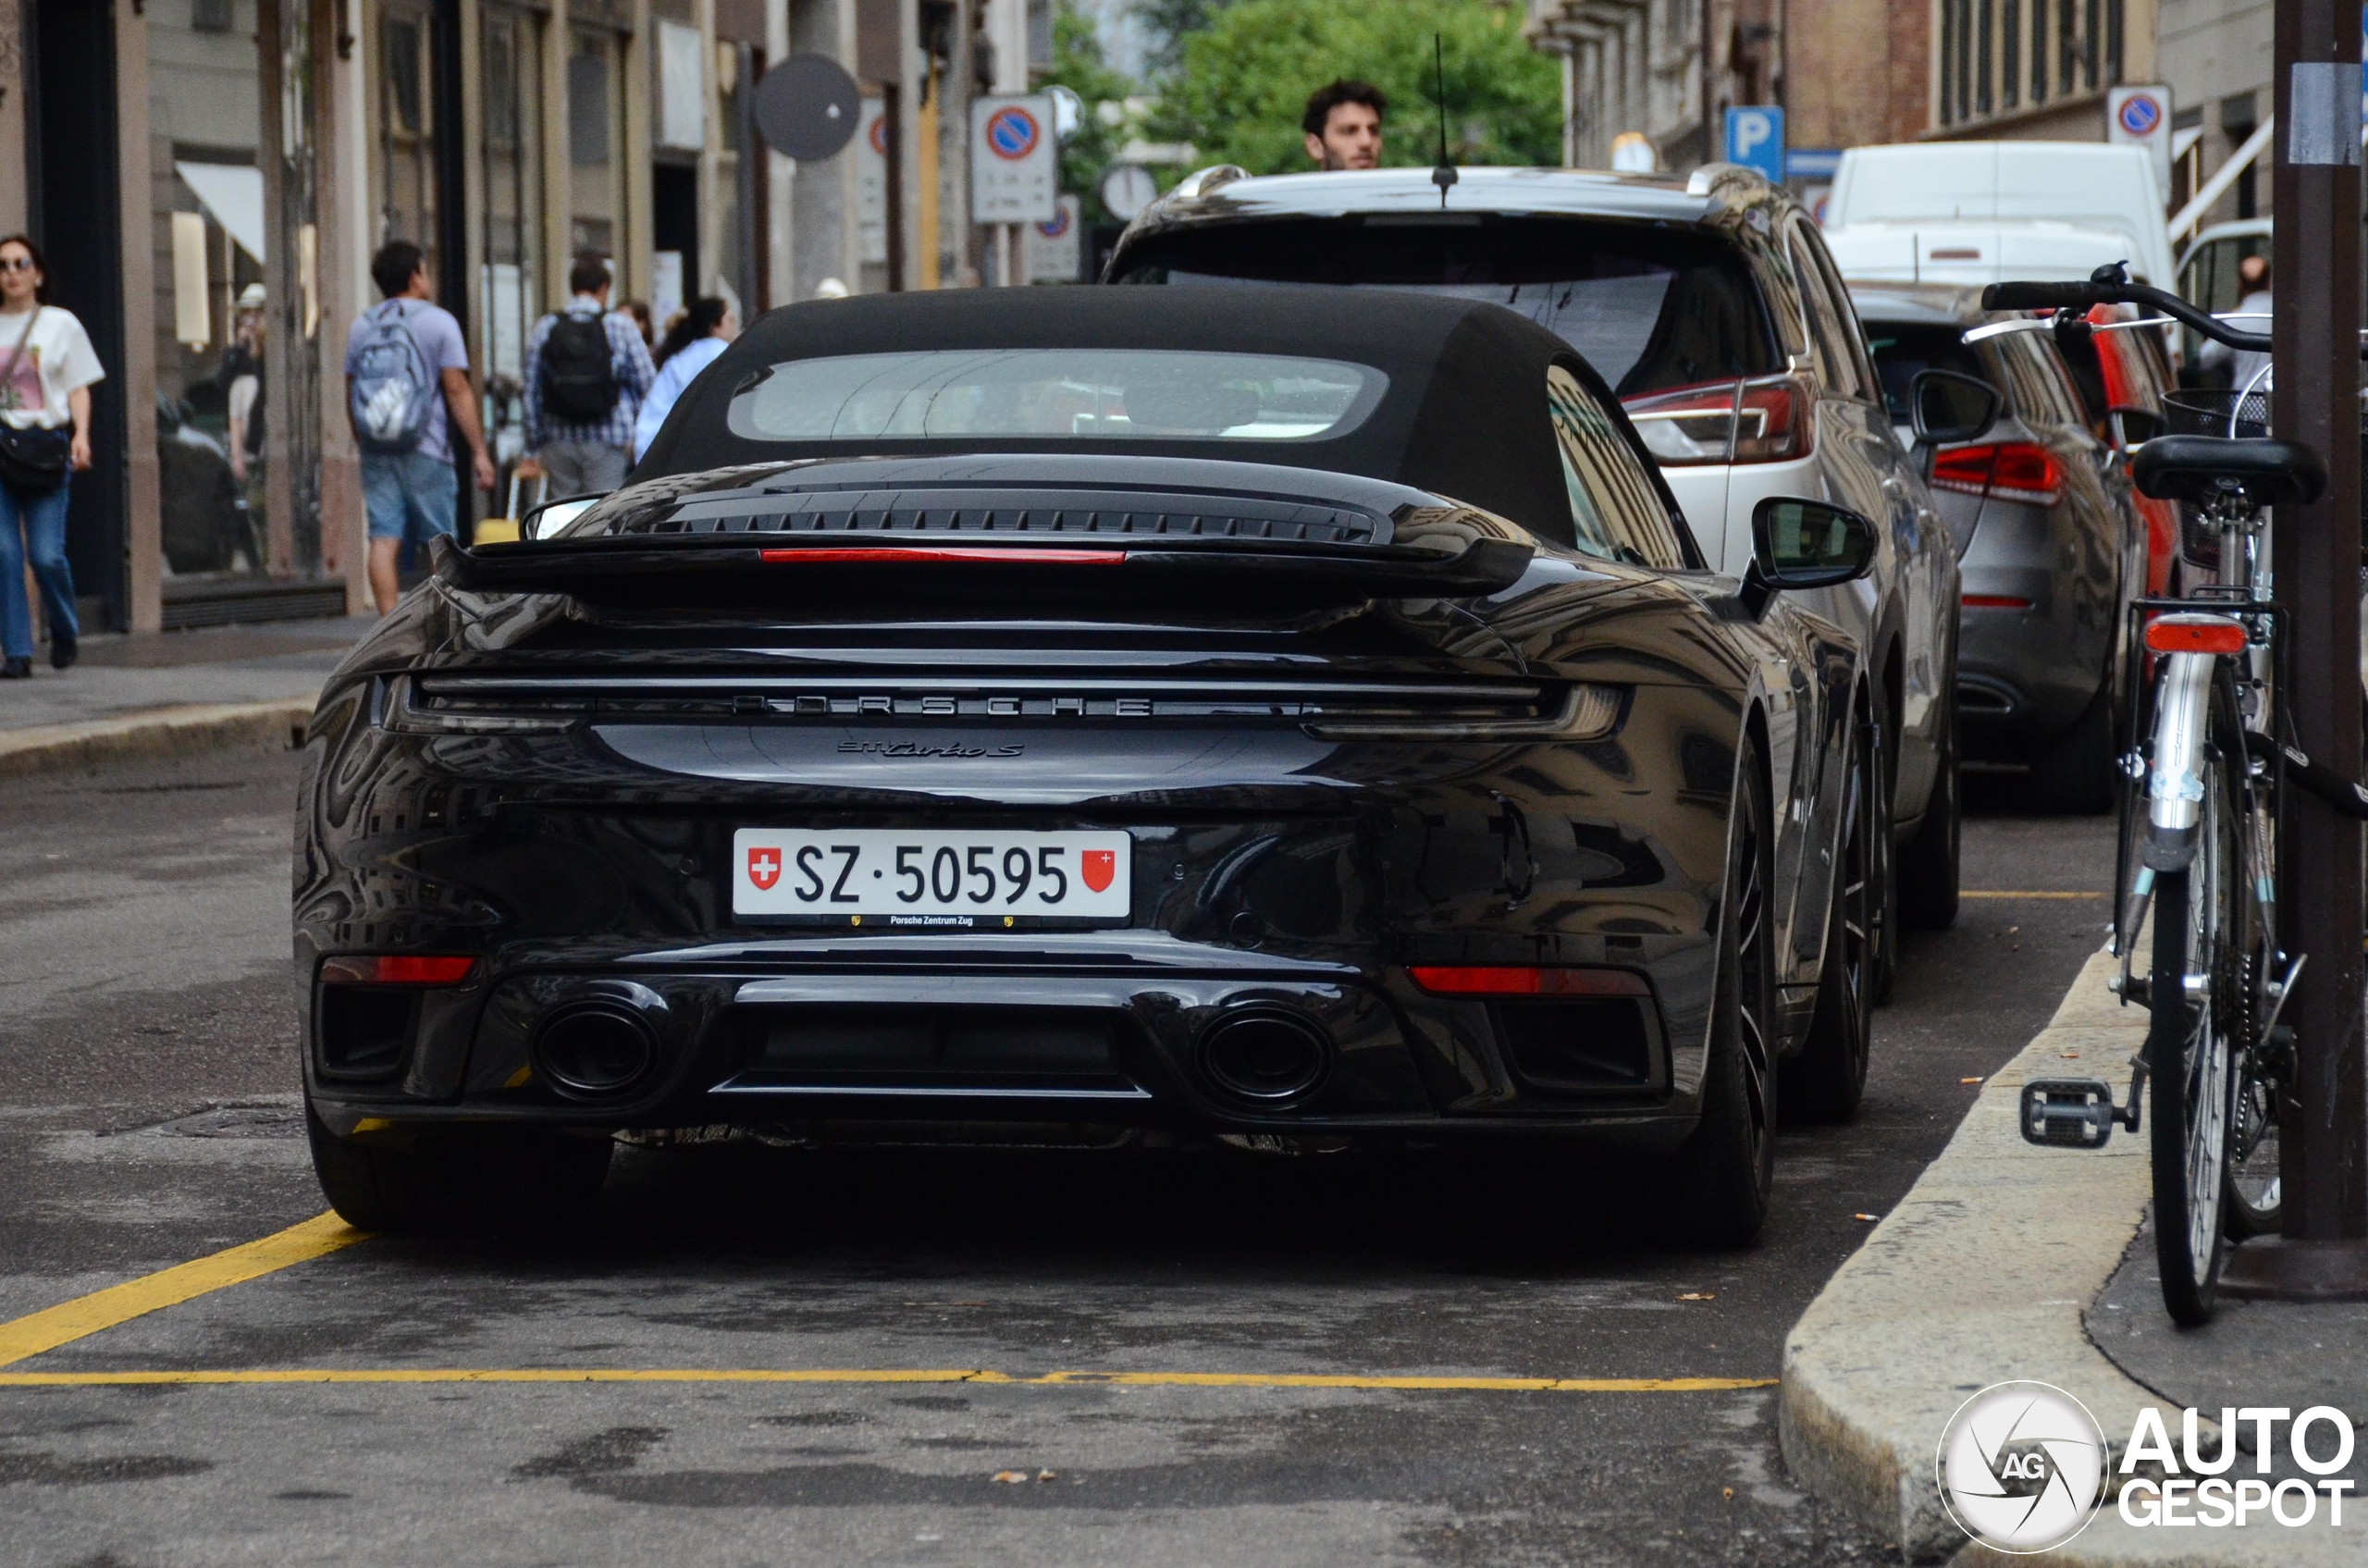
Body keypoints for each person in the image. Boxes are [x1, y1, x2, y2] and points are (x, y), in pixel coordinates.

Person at [344, 240, 496, 615]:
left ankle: (386, 627)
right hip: (427, 449)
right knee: (438, 542)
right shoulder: (438, 322)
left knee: (383, 538)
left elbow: (351, 390)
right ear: (414, 276)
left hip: (378, 447)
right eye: (424, 270)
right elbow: (457, 389)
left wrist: (362, 438)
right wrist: (479, 450)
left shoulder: (362, 326)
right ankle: (437, 622)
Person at [0, 234, 102, 678]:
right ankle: (18, 652)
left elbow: (78, 386)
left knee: (45, 555)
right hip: (1, 446)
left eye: (21, 264)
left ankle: (64, 627)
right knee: (3, 553)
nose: (12, 273)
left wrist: (81, 434)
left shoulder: (61, 324)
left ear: (38, 273)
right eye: (3, 266)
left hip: (46, 449)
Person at [517, 254, 655, 499]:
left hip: (559, 439)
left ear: (573, 287)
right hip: (609, 438)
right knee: (602, 512)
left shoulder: (545, 327)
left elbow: (531, 392)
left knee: (563, 514)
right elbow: (648, 385)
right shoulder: (620, 326)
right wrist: (640, 433)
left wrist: (533, 446)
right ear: (604, 288)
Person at [632, 295, 736, 462]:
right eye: (730, 320)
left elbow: (656, 408)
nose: (734, 326)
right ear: (714, 326)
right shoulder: (727, 355)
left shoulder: (679, 359)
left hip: (669, 451)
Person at [2199, 253, 2271, 394]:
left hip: (2247, 404)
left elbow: (2206, 358)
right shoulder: (2285, 316)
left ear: (2239, 285)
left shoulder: (2236, 320)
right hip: (2283, 404)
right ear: (2269, 282)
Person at [225, 283, 265, 488]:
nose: (251, 320)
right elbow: (224, 383)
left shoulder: (267, 353)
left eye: (256, 314)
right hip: (251, 432)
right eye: (247, 314)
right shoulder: (240, 352)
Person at [1302, 80, 1385, 171]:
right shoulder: (1288, 185)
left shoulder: (1401, 184)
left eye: (1373, 131)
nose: (1366, 142)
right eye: (1349, 131)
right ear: (1316, 146)